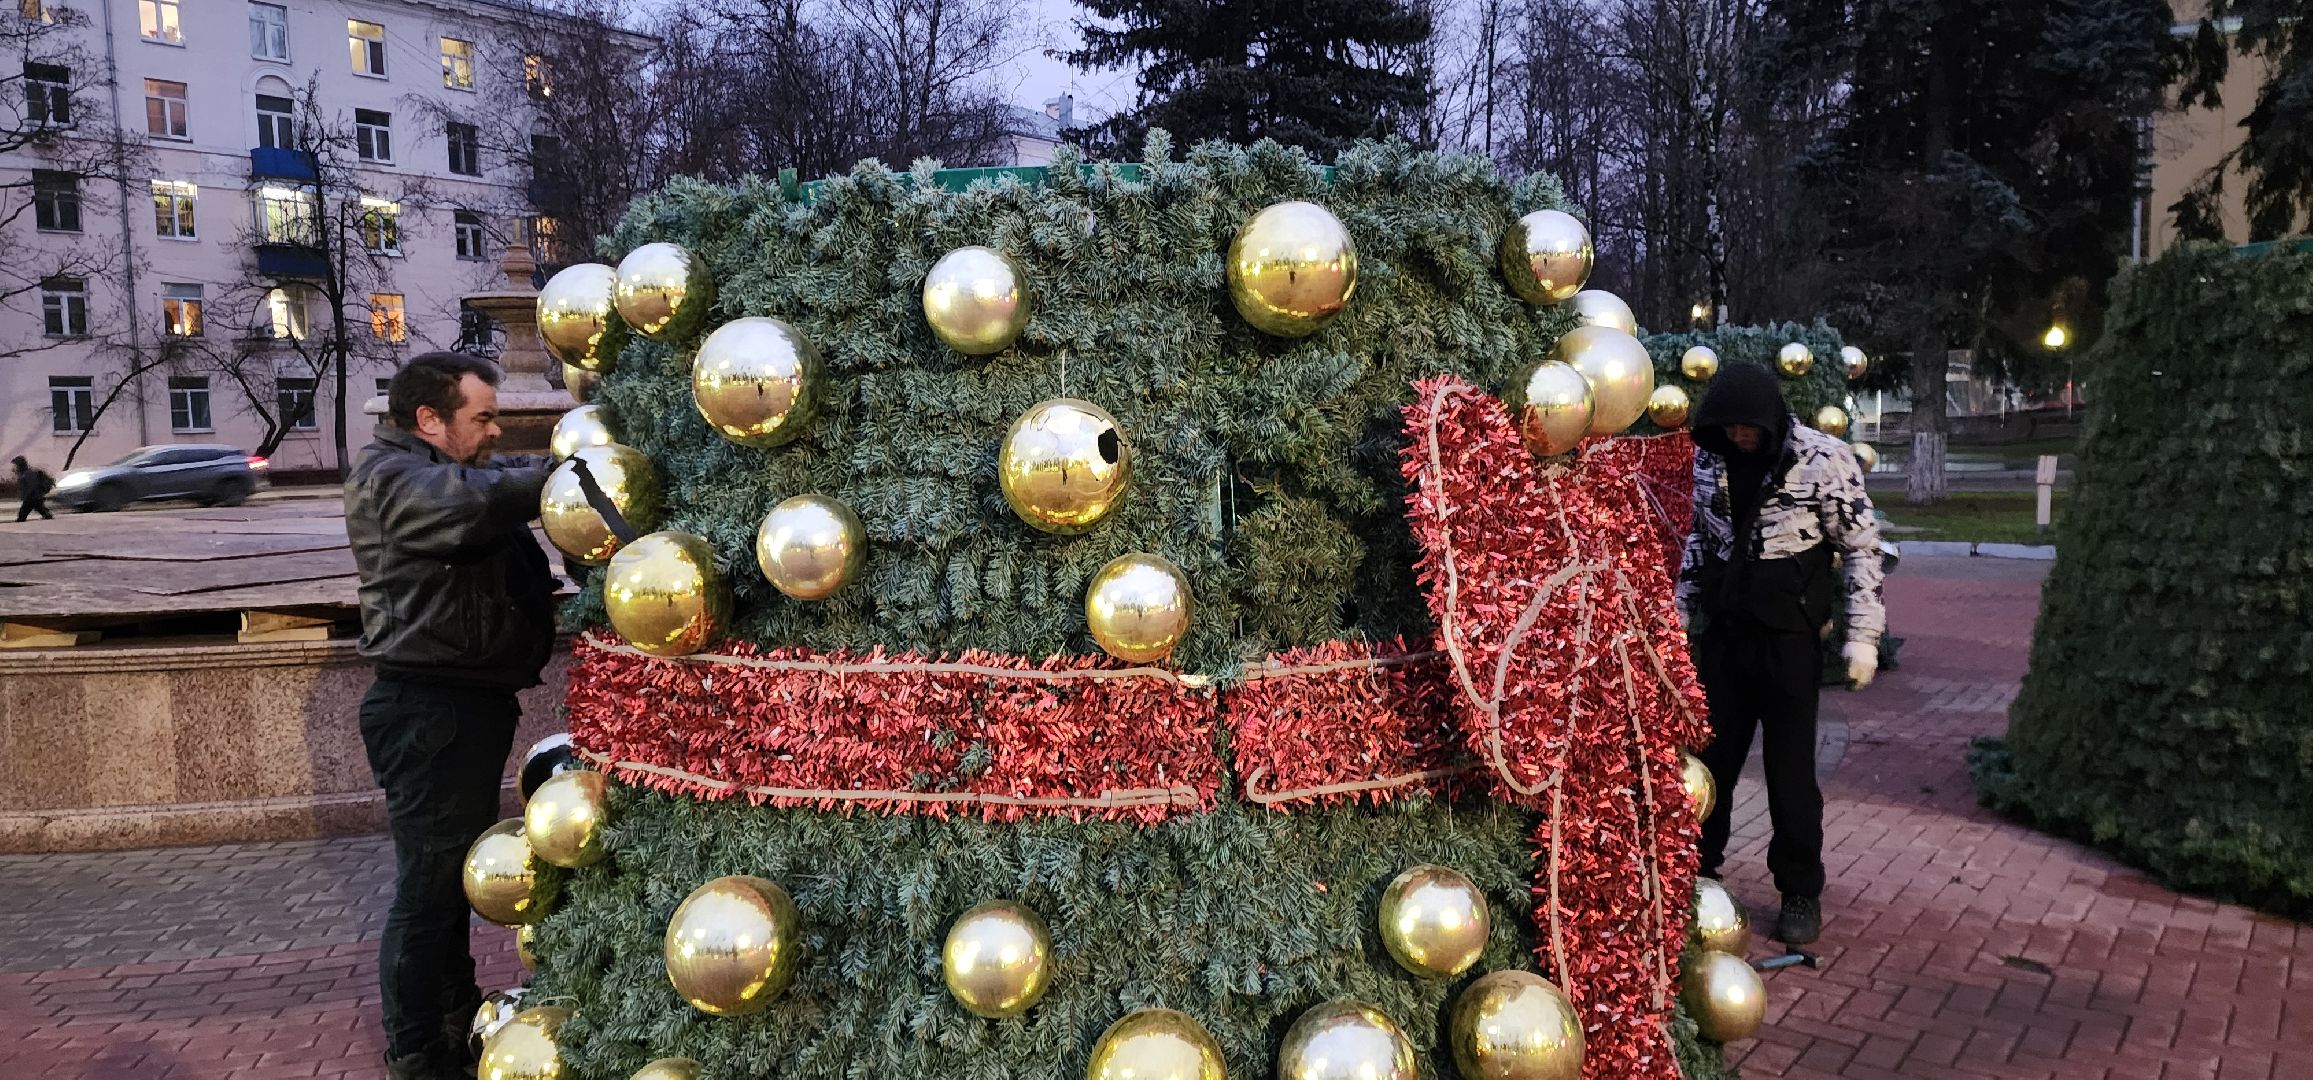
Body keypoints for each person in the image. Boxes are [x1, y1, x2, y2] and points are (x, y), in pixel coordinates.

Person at [346, 351, 558, 1080]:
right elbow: (469, 506)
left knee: (446, 881)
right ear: (429, 419)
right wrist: (566, 478)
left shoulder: (433, 472)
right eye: (483, 417)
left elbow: (485, 494)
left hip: (458, 704)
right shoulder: (392, 479)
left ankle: (451, 1013)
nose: (495, 431)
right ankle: (416, 1050)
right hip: (429, 708)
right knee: (428, 888)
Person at [1676, 362, 1883, 946]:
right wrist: (1681, 606)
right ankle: (1695, 873)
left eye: (1748, 429)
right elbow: (1701, 536)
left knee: (1790, 772)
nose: (1739, 438)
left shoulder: (1824, 459)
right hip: (1726, 636)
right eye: (1728, 428)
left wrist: (1862, 636)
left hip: (1788, 639)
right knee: (1709, 762)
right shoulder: (1710, 457)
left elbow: (1862, 548)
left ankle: (1799, 889)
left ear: (1769, 421)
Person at [12, 456, 54, 522]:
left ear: (20, 464)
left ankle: (21, 520)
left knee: (24, 511)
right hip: (35, 496)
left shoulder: (28, 473)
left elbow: (32, 486)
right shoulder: (25, 473)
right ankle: (48, 516)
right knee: (39, 507)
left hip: (32, 496)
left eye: (16, 464)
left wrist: (27, 495)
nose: (15, 466)